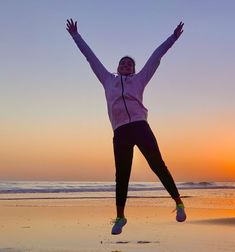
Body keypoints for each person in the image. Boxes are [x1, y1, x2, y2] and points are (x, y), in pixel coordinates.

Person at [66, 18, 186, 235]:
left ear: (134, 69)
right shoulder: (107, 80)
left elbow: (156, 57)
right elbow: (89, 57)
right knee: (122, 174)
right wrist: (76, 36)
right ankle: (120, 217)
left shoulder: (140, 79)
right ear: (117, 66)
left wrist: (173, 38)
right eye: (123, 63)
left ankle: (178, 203)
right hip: (120, 131)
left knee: (157, 165)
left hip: (140, 127)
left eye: (129, 63)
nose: (126, 65)